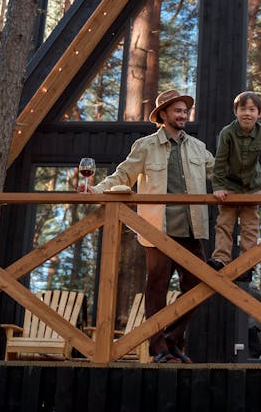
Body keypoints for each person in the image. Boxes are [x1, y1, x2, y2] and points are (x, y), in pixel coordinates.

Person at [87, 89, 214, 363]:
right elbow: (123, 175)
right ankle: (160, 350)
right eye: (177, 111)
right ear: (164, 115)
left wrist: (254, 189)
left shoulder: (198, 148)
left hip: (192, 227)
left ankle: (171, 339)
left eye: (185, 111)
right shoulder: (145, 145)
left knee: (199, 284)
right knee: (156, 286)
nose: (182, 115)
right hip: (158, 229)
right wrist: (95, 190)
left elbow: (221, 175)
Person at [207, 91, 261, 282]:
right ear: (236, 111)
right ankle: (221, 259)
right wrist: (217, 186)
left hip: (253, 185)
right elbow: (220, 161)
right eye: (243, 109)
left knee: (250, 225)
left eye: (252, 109)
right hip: (230, 185)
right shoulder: (227, 133)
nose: (247, 114)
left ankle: (247, 264)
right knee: (224, 223)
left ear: (259, 114)